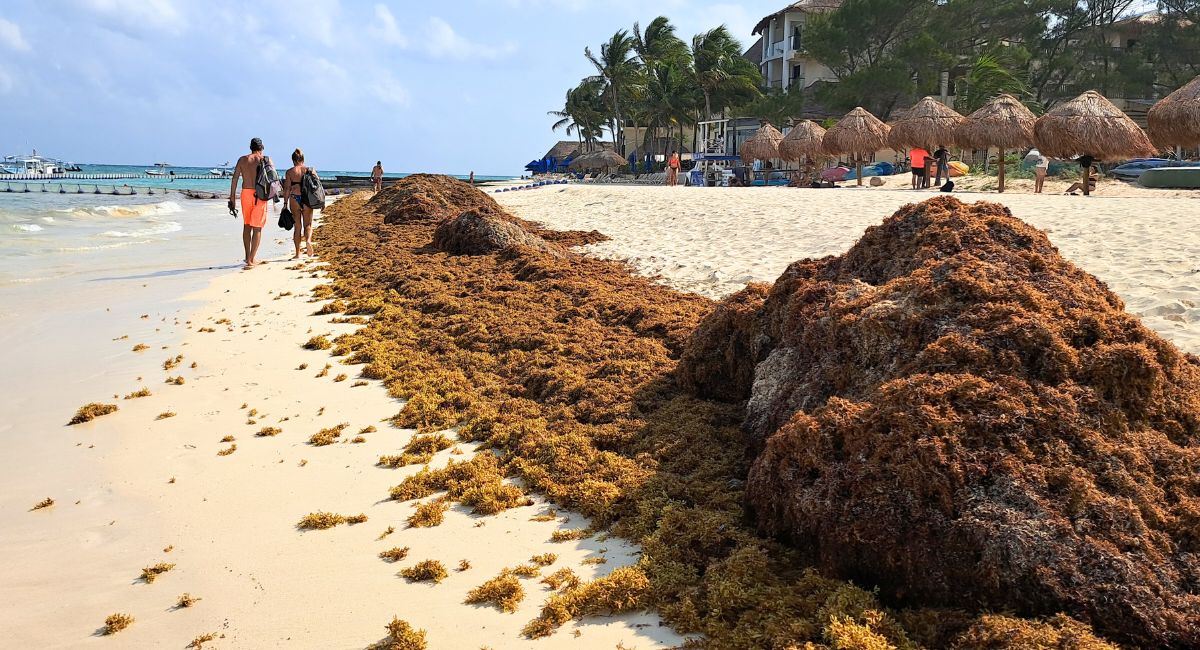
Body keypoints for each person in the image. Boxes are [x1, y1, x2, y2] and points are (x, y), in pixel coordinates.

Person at [228, 138, 269, 270]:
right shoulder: (265, 159)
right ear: (261, 147)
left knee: (247, 225)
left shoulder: (242, 160)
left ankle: (247, 257)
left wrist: (232, 197)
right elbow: (273, 179)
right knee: (257, 227)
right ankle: (251, 260)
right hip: (260, 194)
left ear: (250, 147)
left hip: (245, 194)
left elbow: (235, 179)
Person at [284, 148, 316, 259]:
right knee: (308, 225)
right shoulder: (310, 170)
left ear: (293, 160)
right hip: (307, 199)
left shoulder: (289, 172)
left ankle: (297, 254)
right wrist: (322, 202)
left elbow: (287, 189)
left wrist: (285, 203)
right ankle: (308, 241)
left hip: (294, 198)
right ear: (303, 159)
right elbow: (317, 187)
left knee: (297, 227)